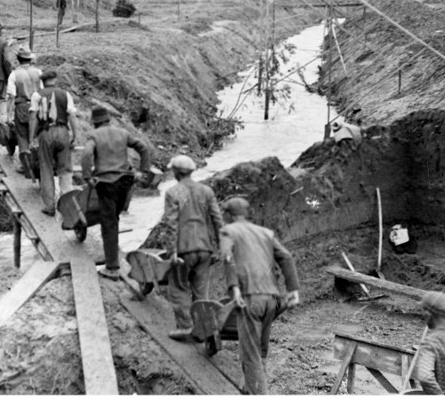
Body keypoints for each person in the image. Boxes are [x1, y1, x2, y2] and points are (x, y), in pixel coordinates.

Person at [219, 197, 300, 395]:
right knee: (261, 350)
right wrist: (293, 290)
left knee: (251, 354)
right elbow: (287, 257)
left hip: (250, 298)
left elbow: (227, 257)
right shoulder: (265, 233)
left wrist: (234, 287)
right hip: (271, 299)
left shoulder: (228, 231)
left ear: (229, 215)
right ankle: (249, 386)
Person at [80, 106, 151, 280]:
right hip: (125, 181)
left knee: (109, 223)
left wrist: (87, 176)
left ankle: (111, 267)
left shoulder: (94, 136)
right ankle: (114, 256)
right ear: (109, 119)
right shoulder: (123, 133)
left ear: (94, 122)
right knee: (116, 217)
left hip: (106, 182)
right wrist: (143, 171)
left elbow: (87, 154)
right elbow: (143, 147)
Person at [163, 155, 224, 340]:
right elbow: (217, 220)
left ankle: (185, 327)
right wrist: (221, 247)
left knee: (179, 287)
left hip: (184, 249)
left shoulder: (173, 193)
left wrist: (172, 252)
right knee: (201, 291)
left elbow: (171, 224)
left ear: (175, 172)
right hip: (205, 249)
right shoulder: (206, 191)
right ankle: (203, 328)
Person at [29, 69, 79, 215]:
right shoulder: (66, 94)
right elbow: (72, 116)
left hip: (45, 133)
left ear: (42, 82)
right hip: (63, 132)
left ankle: (49, 206)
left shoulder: (37, 95)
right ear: (55, 80)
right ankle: (67, 206)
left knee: (46, 169)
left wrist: (32, 138)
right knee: (65, 170)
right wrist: (75, 136)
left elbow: (33, 118)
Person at [4, 46, 42, 174]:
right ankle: (36, 163)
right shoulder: (38, 72)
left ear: (18, 59)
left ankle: (25, 164)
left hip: (21, 107)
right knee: (35, 134)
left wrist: (8, 115)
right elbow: (43, 91)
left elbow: (11, 96)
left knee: (22, 136)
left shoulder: (14, 74)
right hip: (37, 107)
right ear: (29, 59)